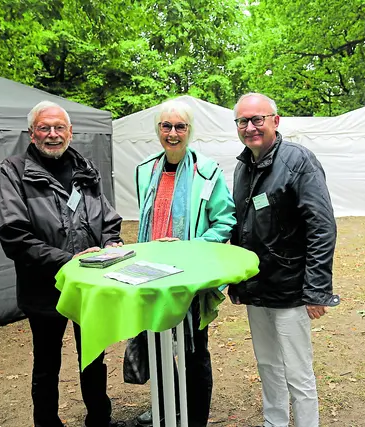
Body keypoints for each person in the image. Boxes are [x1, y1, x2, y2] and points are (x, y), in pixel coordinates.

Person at [0, 101, 125, 427]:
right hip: (44, 286)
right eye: (45, 128)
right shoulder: (14, 171)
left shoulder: (85, 169)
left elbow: (107, 217)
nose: (52, 134)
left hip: (91, 285)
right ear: (31, 133)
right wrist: (68, 262)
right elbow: (15, 236)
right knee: (46, 364)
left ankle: (100, 419)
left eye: (59, 128)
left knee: (94, 358)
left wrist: (111, 242)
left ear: (70, 131)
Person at [229, 93, 340, 427]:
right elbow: (240, 226)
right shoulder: (242, 166)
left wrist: (316, 290)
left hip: (291, 289)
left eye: (257, 119)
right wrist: (237, 281)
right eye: (243, 121)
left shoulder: (299, 162)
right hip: (257, 287)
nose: (250, 127)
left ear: (275, 121)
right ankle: (273, 422)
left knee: (298, 372)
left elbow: (322, 227)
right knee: (267, 365)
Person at [133, 99, 236, 427]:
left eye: (180, 127)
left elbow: (225, 219)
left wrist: (192, 246)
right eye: (166, 126)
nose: (173, 133)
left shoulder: (206, 172)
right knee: (156, 343)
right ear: (158, 131)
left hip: (190, 276)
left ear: (190, 131)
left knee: (193, 350)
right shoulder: (146, 169)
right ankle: (165, 408)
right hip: (153, 276)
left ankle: (194, 419)